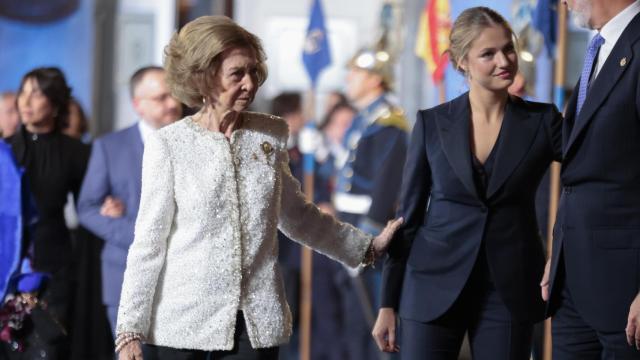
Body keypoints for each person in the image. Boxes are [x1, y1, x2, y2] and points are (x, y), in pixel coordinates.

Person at [115, 15, 402, 360]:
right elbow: (149, 242)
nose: (250, 83)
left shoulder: (270, 133)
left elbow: (297, 216)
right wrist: (129, 329)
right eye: (237, 74)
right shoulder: (169, 145)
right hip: (181, 327)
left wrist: (364, 248)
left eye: (254, 72)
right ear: (203, 78)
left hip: (255, 325)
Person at [372, 7, 562, 359]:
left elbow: (588, 181)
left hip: (510, 289)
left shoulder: (544, 122)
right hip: (430, 284)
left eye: (508, 48)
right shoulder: (431, 124)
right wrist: (388, 303)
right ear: (461, 62)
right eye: (488, 53)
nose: (504, 60)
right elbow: (407, 220)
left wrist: (561, 247)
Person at [540, 0, 640, 358]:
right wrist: (560, 251)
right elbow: (580, 169)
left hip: (626, 290)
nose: (561, 3)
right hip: (573, 280)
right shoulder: (599, 47)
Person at [77, 66, 181, 338]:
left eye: (174, 95)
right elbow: (87, 209)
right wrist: (137, 235)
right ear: (138, 105)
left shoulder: (197, 143)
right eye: (161, 98)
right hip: (124, 275)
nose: (172, 104)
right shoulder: (110, 147)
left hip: (183, 278)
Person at [2, 67, 90, 359]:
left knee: (49, 349)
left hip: (55, 266)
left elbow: (86, 209)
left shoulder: (76, 153)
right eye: (24, 92)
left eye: (36, 93)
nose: (26, 101)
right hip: (7, 267)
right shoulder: (6, 152)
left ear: (54, 102)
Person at [331, 46, 409, 360]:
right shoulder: (366, 117)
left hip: (366, 232)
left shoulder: (388, 121)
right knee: (354, 322)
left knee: (375, 324)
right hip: (347, 226)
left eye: (356, 73)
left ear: (376, 79)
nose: (348, 79)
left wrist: (366, 243)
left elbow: (387, 185)